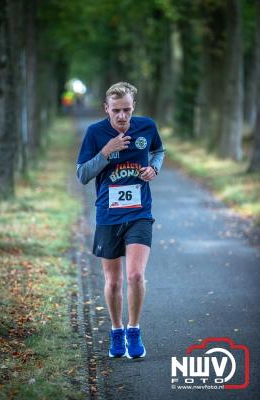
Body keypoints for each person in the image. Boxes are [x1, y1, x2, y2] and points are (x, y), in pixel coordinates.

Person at [76, 82, 165, 359]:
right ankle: (116, 331)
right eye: (116, 111)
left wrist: (154, 169)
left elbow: (158, 151)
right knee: (113, 282)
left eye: (127, 110)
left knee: (136, 275)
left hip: (139, 212)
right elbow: (82, 175)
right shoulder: (95, 133)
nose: (122, 116)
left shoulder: (147, 127)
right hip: (108, 215)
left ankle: (134, 330)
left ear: (133, 107)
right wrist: (106, 151)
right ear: (106, 109)